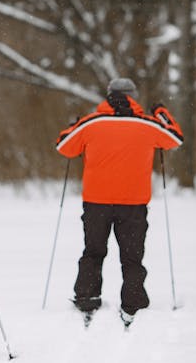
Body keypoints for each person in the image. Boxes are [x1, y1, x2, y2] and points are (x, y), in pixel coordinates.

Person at [56, 77, 183, 327]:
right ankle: (133, 300)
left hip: (96, 203)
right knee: (132, 256)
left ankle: (87, 296)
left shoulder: (92, 122)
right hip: (133, 204)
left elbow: (64, 146)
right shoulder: (147, 124)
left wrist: (72, 126)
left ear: (108, 95)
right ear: (133, 97)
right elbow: (175, 139)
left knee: (93, 251)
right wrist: (161, 113)